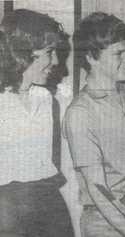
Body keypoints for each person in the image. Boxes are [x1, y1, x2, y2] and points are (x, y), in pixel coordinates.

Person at [63, 12, 125, 237]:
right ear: (91, 57)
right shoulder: (80, 112)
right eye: (119, 53)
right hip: (106, 221)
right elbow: (98, 189)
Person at [0, 9, 74, 237]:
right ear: (23, 52)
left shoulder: (45, 98)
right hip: (7, 209)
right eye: (49, 52)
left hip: (49, 203)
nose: (56, 61)